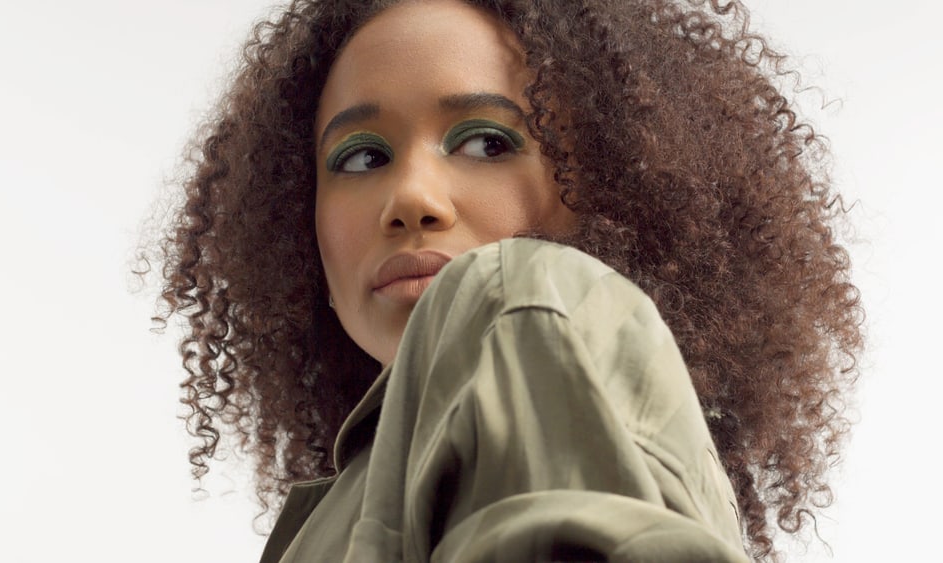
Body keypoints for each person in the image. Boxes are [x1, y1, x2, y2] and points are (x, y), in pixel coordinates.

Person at [154, 0, 863, 560]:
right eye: (362, 157)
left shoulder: (519, 298)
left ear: (611, 188)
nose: (411, 198)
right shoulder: (373, 472)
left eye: (487, 142)